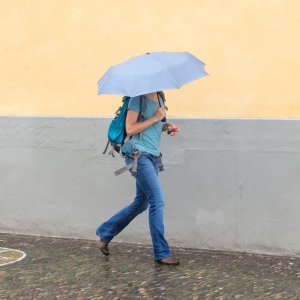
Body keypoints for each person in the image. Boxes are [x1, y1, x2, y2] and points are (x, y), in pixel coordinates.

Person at [96, 91, 180, 265]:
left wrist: (168, 127)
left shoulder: (160, 97)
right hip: (138, 155)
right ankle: (161, 252)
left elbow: (154, 126)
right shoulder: (137, 98)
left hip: (154, 156)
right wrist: (156, 117)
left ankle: (105, 232)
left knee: (141, 203)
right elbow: (131, 128)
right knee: (157, 201)